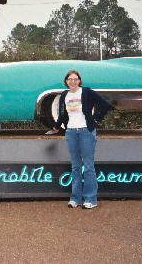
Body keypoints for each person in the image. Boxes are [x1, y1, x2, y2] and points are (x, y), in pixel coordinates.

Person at [52, 69, 113, 209]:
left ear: (79, 80)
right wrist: (56, 126)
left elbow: (105, 105)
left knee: (89, 167)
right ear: (66, 81)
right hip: (71, 132)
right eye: (70, 79)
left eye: (75, 79)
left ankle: (91, 199)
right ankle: (75, 198)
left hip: (86, 131)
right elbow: (62, 115)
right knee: (75, 167)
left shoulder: (86, 92)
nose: (72, 81)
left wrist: (96, 119)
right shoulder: (64, 95)